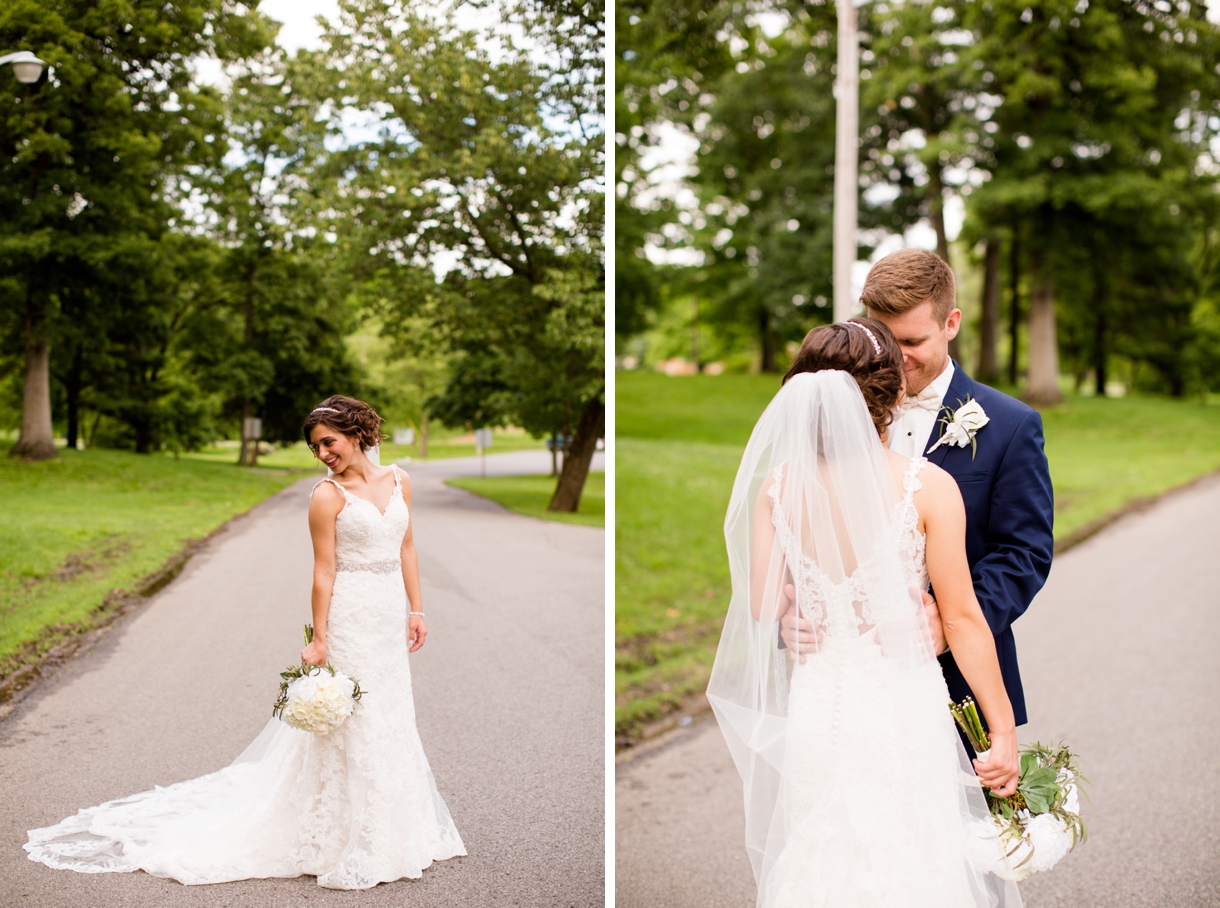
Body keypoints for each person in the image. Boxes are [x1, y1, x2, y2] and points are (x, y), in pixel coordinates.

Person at [25, 395, 465, 889]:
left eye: (329, 442)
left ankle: (396, 825)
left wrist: (418, 608)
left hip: (387, 616)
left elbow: (406, 546)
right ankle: (338, 831)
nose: (322, 453)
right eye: (315, 446)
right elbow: (323, 570)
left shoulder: (401, 480)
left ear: (357, 433)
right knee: (354, 718)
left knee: (390, 713)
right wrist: (320, 639)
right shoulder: (327, 496)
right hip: (350, 616)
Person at [707, 319, 1024, 907]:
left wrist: (798, 611)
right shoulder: (926, 488)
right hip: (901, 699)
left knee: (823, 852)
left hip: (818, 703)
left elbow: (760, 602)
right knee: (915, 853)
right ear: (895, 395)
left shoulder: (778, 488)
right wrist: (1001, 730)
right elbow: (960, 620)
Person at [780, 249, 1054, 745]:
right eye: (883, 338)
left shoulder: (1011, 426)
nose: (895, 357)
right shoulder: (824, 425)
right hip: (842, 696)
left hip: (957, 685)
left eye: (911, 341)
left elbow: (1025, 552)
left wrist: (948, 625)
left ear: (951, 324)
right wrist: (790, 616)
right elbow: (801, 531)